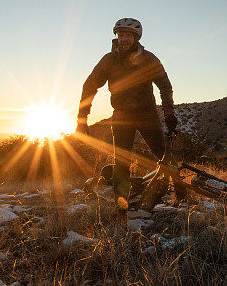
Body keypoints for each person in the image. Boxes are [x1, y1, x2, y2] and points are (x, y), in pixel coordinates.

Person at [75, 17, 177, 209]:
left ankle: (181, 194)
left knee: (164, 156)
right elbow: (89, 86)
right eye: (120, 35)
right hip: (121, 116)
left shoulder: (148, 59)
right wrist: (82, 118)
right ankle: (121, 208)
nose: (124, 39)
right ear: (116, 37)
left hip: (147, 115)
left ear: (136, 37)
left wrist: (168, 113)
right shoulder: (109, 60)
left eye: (128, 35)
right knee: (121, 163)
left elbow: (165, 84)